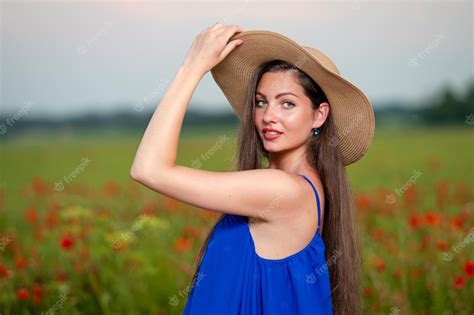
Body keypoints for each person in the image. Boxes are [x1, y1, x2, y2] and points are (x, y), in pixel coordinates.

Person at [130, 22, 375, 315]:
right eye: (261, 102)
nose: (268, 116)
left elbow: (149, 169)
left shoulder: (285, 191)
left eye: (287, 104)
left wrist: (192, 68)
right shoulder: (300, 186)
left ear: (319, 115)